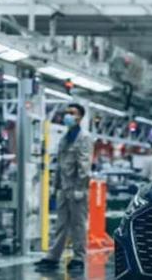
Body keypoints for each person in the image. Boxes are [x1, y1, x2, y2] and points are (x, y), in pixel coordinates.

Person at [35, 103, 92, 273]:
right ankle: (53, 256)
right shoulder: (64, 138)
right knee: (61, 224)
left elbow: (84, 165)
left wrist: (80, 188)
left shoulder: (84, 137)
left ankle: (79, 258)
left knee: (78, 224)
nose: (68, 115)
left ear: (80, 117)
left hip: (77, 189)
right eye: (67, 112)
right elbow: (59, 166)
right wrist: (55, 188)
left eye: (72, 113)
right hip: (64, 189)